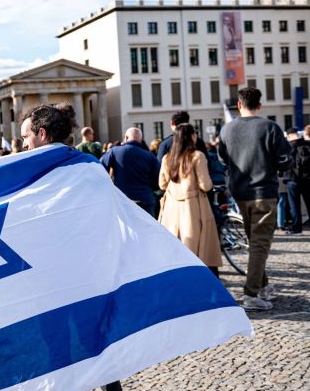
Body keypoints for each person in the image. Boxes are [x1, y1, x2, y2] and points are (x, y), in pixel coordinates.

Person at [19, 104, 132, 391]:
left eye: (25, 137)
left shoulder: (30, 173)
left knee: (59, 350)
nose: (23, 145)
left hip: (52, 280)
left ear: (41, 134)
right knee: (99, 342)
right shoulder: (89, 167)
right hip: (89, 275)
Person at [217, 87, 292, 311]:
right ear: (259, 105)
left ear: (239, 105)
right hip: (264, 193)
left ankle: (263, 286)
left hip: (240, 193)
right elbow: (285, 161)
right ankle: (251, 294)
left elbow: (222, 160)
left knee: (255, 242)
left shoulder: (227, 130)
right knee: (259, 244)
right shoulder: (270, 127)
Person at [158, 124, 222, 276]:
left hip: (171, 209)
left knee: (175, 247)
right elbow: (205, 184)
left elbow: (161, 183)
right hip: (193, 207)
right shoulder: (197, 156)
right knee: (201, 248)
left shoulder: (167, 158)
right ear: (190, 137)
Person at [100, 128, 161, 217]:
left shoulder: (115, 151)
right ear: (140, 139)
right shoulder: (150, 156)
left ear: (126, 137)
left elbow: (100, 168)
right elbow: (157, 182)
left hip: (122, 200)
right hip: (145, 200)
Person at [285, 127, 310, 234]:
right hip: (308, 179)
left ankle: (297, 229)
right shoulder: (307, 144)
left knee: (294, 205)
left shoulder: (286, 147)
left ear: (289, 136)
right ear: (297, 134)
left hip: (292, 179)